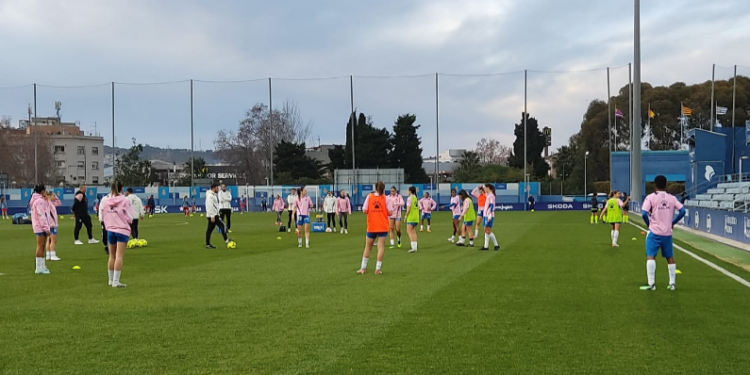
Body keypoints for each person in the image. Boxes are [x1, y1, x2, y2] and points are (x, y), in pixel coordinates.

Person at [641, 175, 686, 291]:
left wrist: (649, 224)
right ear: (666, 184)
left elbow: (644, 213)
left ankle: (652, 284)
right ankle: (672, 284)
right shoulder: (672, 198)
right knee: (669, 257)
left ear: (654, 185)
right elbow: (682, 211)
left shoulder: (651, 197)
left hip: (654, 231)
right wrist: (673, 222)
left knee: (650, 256)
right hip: (667, 232)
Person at [101, 181, 133, 288]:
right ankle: (116, 281)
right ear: (121, 189)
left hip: (110, 229)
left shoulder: (106, 200)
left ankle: (110, 280)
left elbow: (103, 215)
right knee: (119, 256)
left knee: (111, 256)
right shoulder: (125, 200)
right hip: (122, 229)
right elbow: (129, 217)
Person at [357, 181, 393, 275]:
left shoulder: (370, 196)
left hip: (372, 225)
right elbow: (390, 213)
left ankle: (363, 268)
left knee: (368, 247)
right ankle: (377, 269)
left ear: (375, 188)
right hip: (383, 226)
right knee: (381, 247)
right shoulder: (387, 198)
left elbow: (364, 210)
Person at [30, 185, 51, 274]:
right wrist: (46, 228)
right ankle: (39, 268)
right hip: (40, 227)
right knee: (40, 246)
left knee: (42, 246)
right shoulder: (39, 201)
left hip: (40, 226)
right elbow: (41, 215)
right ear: (42, 192)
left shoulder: (39, 200)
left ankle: (42, 266)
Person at [205, 183, 229, 249]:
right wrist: (212, 216)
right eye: (217, 188)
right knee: (222, 225)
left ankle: (208, 244)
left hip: (212, 214)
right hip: (213, 215)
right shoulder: (210, 196)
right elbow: (210, 206)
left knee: (209, 230)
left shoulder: (212, 195)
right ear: (214, 188)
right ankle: (227, 241)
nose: (218, 189)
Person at [481, 183, 500, 251]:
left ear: (488, 188)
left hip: (488, 215)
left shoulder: (491, 196)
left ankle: (496, 245)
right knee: (486, 230)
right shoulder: (489, 195)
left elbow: (491, 205)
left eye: (485, 188)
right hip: (486, 215)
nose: (484, 189)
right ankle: (486, 246)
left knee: (487, 230)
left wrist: (489, 215)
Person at [45, 191, 61, 261]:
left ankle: (48, 255)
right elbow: (48, 215)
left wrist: (55, 197)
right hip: (52, 224)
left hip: (50, 224)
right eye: (53, 196)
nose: (54, 197)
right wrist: (51, 223)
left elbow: (59, 203)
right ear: (49, 196)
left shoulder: (50, 203)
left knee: (49, 240)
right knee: (53, 240)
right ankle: (53, 255)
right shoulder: (48, 204)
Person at [404, 186, 420, 253]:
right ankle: (415, 247)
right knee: (413, 231)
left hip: (411, 217)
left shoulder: (409, 198)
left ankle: (413, 247)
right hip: (416, 217)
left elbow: (408, 209)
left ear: (410, 191)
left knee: (409, 231)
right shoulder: (416, 198)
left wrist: (405, 216)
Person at [98, 190, 111, 255]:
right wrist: (101, 218)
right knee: (105, 234)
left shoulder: (120, 198)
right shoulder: (105, 199)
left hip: (115, 220)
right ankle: (106, 246)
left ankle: (113, 248)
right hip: (105, 220)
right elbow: (101, 208)